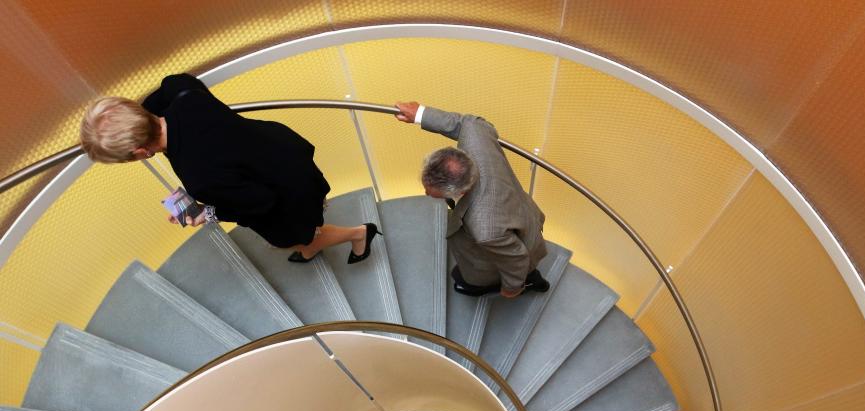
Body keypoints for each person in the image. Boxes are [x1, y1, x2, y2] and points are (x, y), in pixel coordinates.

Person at [79, 73, 381, 265]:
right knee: (305, 223)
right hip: (282, 150)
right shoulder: (181, 93)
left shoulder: (200, 177)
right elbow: (169, 89)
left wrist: (205, 213)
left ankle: (357, 234)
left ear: (140, 153)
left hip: (281, 189)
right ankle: (311, 244)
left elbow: (259, 203)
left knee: (292, 235)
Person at [394, 102, 549, 298]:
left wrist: (512, 288)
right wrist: (421, 114)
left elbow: (516, 258)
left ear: (462, 191)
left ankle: (528, 282)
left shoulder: (485, 228)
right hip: (520, 213)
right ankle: (535, 279)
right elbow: (470, 123)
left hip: (514, 242)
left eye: (433, 191)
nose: (425, 193)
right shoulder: (477, 143)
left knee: (464, 278)